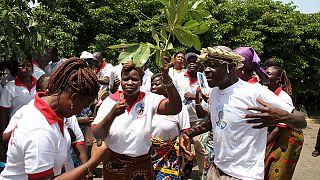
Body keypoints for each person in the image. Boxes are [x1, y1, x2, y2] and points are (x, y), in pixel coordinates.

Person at [180, 46, 307, 180]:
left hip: (244, 175)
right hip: (216, 169)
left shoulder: (254, 92)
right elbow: (213, 120)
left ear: (229, 67)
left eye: (212, 66)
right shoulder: (215, 92)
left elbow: (301, 122)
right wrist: (188, 134)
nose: (206, 70)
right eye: (205, 66)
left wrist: (284, 116)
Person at [0, 57, 108, 180]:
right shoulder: (39, 130)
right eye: (83, 106)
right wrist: (93, 162)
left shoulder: (51, 113)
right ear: (74, 98)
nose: (80, 111)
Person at [91, 61, 182, 179]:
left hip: (142, 164)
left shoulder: (149, 99)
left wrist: (166, 78)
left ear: (141, 80)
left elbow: (175, 108)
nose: (129, 83)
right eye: (126, 79)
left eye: (134, 79)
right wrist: (112, 114)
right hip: (114, 164)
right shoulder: (110, 101)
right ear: (121, 80)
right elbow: (97, 134)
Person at [264, 66, 304, 180]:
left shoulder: (283, 98)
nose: (264, 75)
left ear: (277, 80)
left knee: (276, 173)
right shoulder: (262, 91)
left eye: (268, 74)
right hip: (272, 133)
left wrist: (262, 146)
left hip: (285, 138)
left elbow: (279, 128)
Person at [150, 73, 190, 180]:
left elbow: (185, 133)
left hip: (169, 156)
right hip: (146, 155)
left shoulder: (179, 107)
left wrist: (187, 160)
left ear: (167, 86)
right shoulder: (147, 105)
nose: (153, 87)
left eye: (157, 84)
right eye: (151, 85)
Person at [175, 52, 207, 176]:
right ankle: (181, 172)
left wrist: (195, 97)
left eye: (195, 61)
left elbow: (208, 96)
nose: (192, 63)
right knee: (182, 147)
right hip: (181, 118)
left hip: (198, 118)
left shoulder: (203, 78)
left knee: (199, 147)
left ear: (199, 64)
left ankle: (201, 173)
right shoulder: (179, 78)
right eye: (190, 61)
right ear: (186, 63)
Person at [0, 57, 37, 135]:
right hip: (17, 129)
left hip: (36, 127)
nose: (26, 68)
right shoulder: (9, 87)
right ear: (17, 70)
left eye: (28, 65)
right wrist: (4, 133)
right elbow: (4, 112)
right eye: (22, 66)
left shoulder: (38, 85)